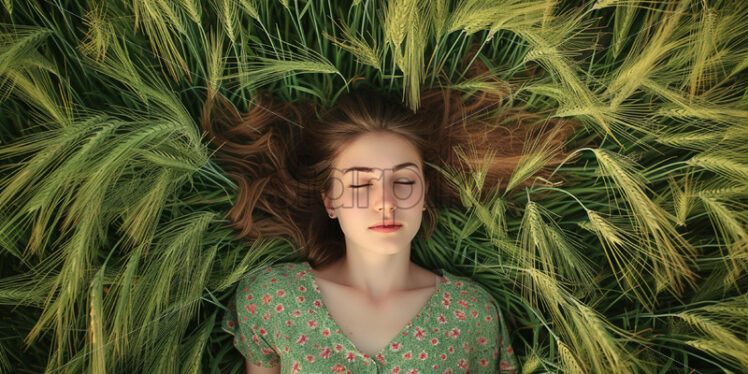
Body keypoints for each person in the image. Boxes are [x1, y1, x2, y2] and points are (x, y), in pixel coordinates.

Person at [203, 76, 580, 372]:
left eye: (403, 181)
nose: (386, 202)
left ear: (424, 193)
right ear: (330, 201)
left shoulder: (472, 314)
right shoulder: (273, 299)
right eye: (360, 183)